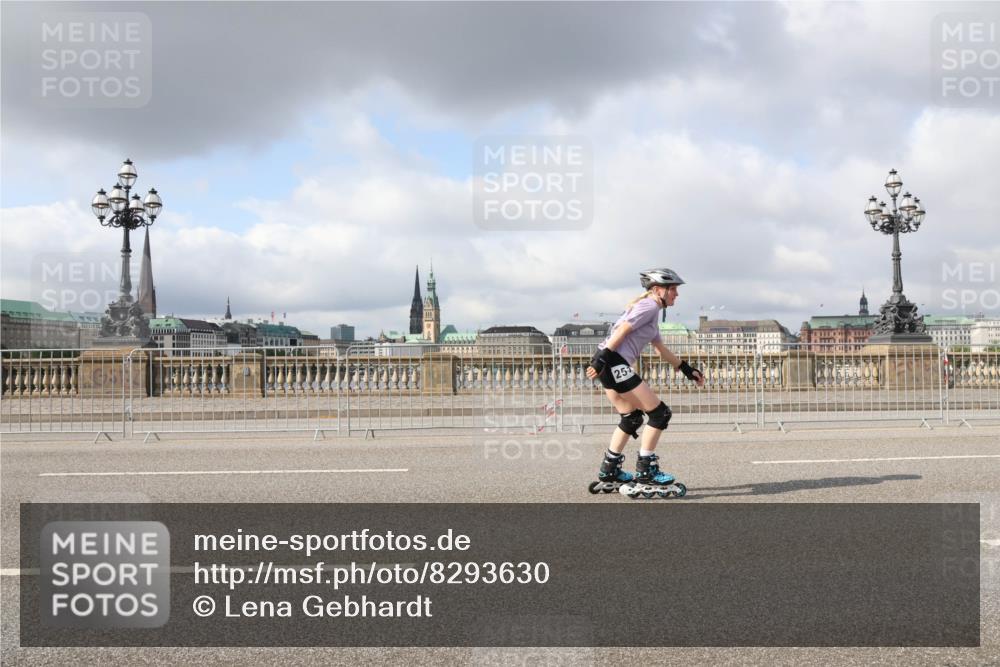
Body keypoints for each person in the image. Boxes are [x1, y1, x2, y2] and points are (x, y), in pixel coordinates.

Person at [587, 268, 705, 495]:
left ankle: (609, 469)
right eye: (673, 290)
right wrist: (600, 360)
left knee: (631, 418)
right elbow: (623, 329)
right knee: (660, 414)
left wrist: (687, 370)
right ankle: (646, 471)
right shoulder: (649, 306)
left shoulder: (650, 314)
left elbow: (661, 350)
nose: (676, 295)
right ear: (658, 289)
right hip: (614, 362)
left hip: (610, 363)